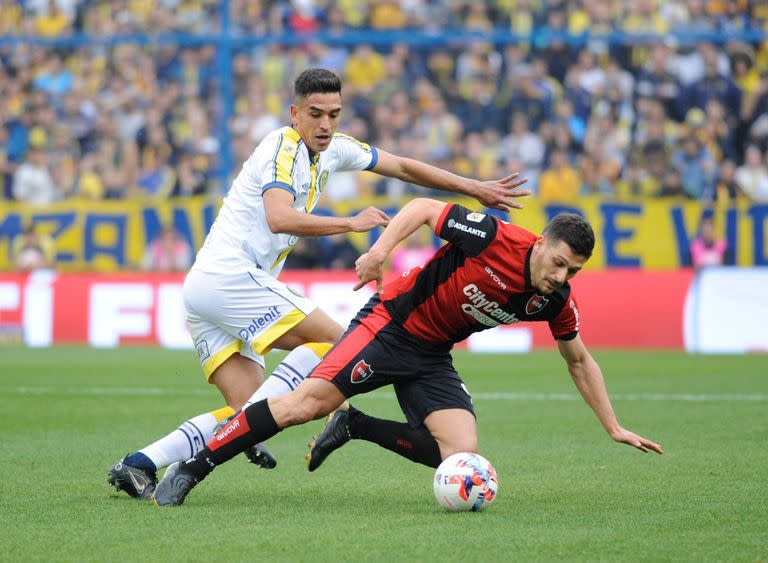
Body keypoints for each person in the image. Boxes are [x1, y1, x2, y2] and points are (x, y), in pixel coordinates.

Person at [108, 68, 529, 499]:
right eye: (315, 114)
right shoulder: (283, 147)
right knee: (343, 340)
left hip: (209, 287)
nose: (325, 124)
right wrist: (351, 222)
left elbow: (401, 165)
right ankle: (337, 414)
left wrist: (472, 186)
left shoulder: (334, 148)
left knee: (249, 413)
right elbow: (279, 216)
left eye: (334, 114)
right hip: (229, 277)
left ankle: (138, 464)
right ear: (295, 113)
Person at [152, 197, 663, 507]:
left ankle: (357, 427)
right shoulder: (494, 238)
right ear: (540, 245)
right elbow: (422, 210)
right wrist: (380, 252)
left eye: (572, 271)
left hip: (432, 353)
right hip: (390, 324)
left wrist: (612, 426)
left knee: (461, 454)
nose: (560, 277)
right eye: (557, 263)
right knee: (306, 404)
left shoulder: (555, 299)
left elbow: (579, 361)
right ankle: (192, 468)